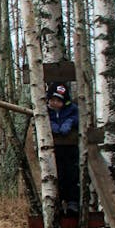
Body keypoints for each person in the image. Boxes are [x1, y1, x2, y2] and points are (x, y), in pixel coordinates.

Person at [46, 81, 80, 215]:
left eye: (58, 101)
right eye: (52, 100)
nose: (55, 103)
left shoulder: (72, 109)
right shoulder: (47, 111)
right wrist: (51, 123)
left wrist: (70, 122)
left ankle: (72, 203)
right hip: (53, 150)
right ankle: (57, 203)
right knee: (56, 175)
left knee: (72, 175)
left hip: (71, 149)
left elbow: (77, 118)